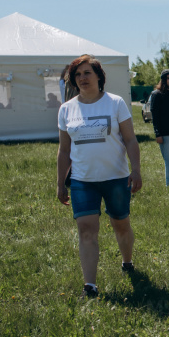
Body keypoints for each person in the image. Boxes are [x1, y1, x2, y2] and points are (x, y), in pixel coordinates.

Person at [56, 55, 142, 298]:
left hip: (116, 178)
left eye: (87, 73)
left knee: (121, 224)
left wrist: (135, 169)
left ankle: (127, 262)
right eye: (78, 75)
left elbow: (130, 139)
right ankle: (90, 286)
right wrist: (61, 182)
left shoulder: (115, 103)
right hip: (83, 181)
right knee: (86, 229)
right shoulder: (66, 109)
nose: (82, 78)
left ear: (98, 76)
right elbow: (64, 150)